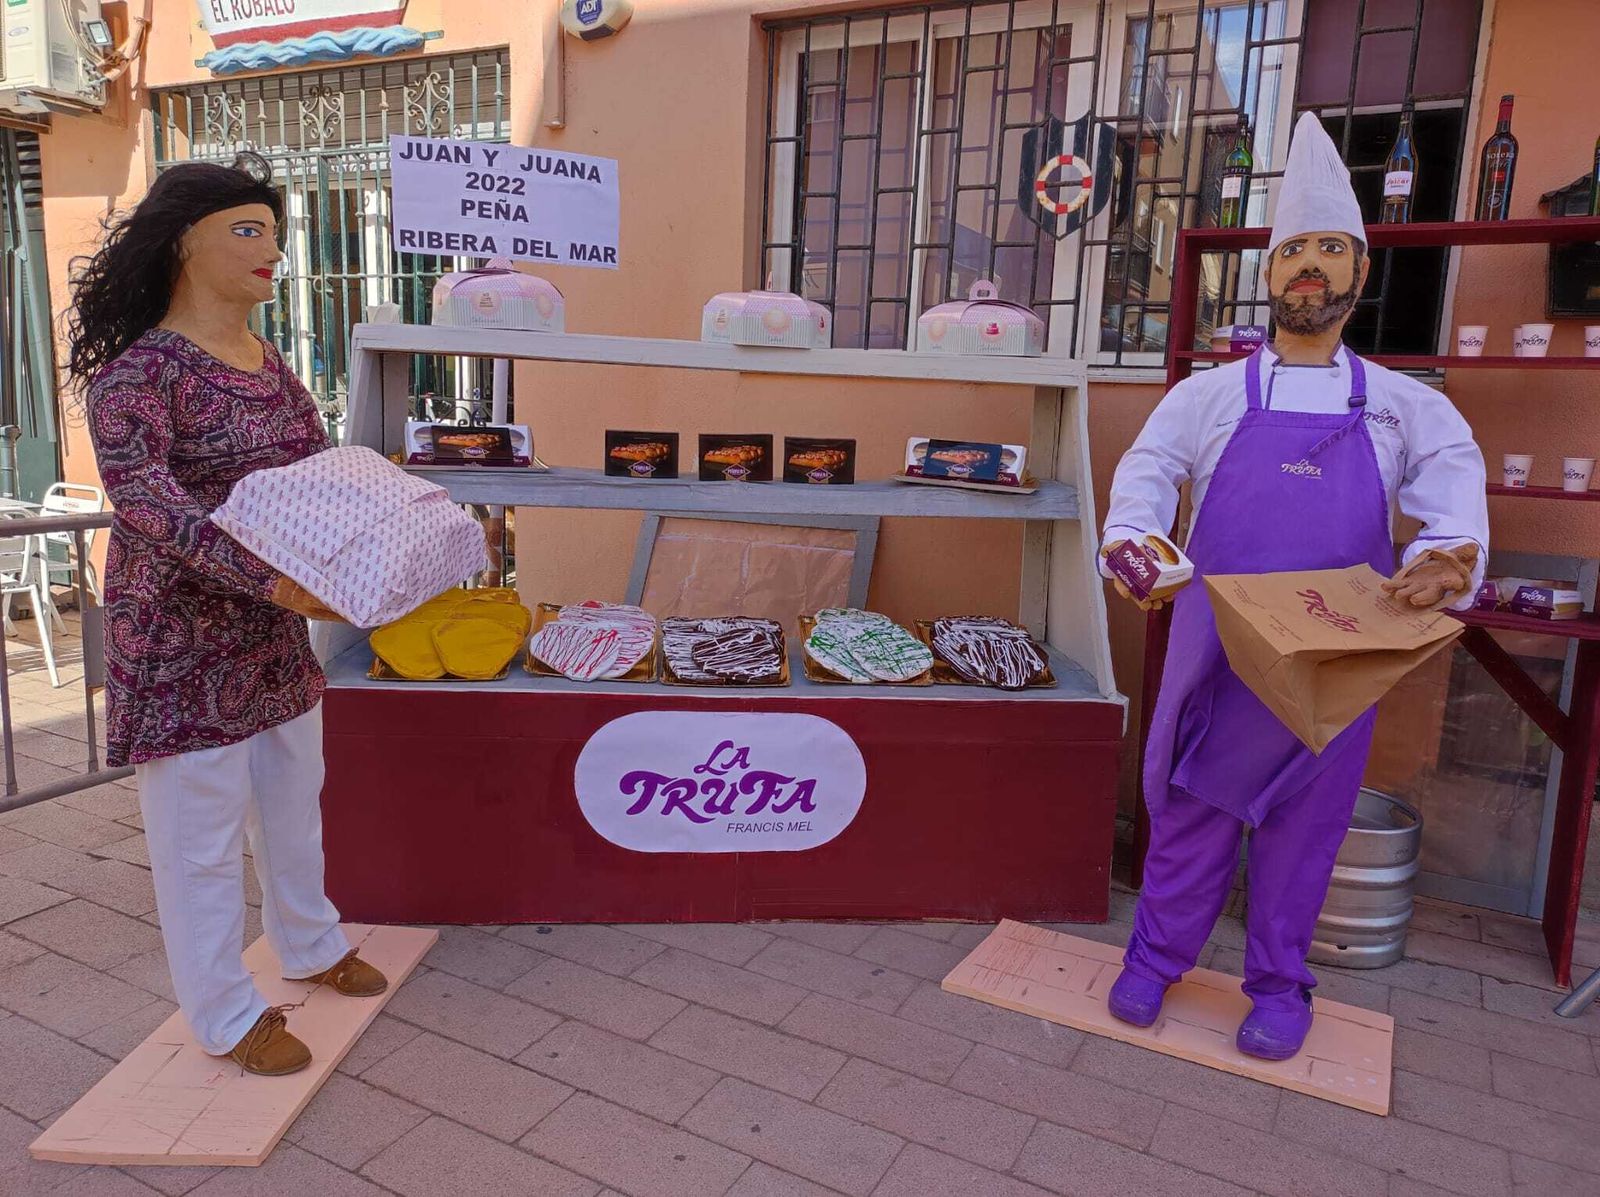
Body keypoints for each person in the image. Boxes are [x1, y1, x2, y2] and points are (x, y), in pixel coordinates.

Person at [1100, 113, 1488, 1061]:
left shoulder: (1405, 406)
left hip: (1334, 657)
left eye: (1329, 251)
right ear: (1269, 275)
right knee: (1190, 805)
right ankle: (1155, 958)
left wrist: (1447, 559)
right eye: (1294, 253)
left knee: (1304, 826)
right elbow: (1145, 477)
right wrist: (1135, 543)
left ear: (1359, 273)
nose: (1309, 267)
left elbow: (1453, 505)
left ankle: (1279, 984)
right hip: (1215, 650)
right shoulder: (1209, 395)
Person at [64, 154, 387, 1077]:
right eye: (248, 231)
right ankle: (224, 1011)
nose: (273, 252)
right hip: (180, 637)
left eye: (275, 236)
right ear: (182, 244)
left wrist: (363, 541)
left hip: (273, 634)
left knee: (295, 801)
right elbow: (147, 504)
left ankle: (312, 943)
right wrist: (278, 580)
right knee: (198, 836)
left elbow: (313, 474)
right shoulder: (138, 373)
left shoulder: (267, 361)